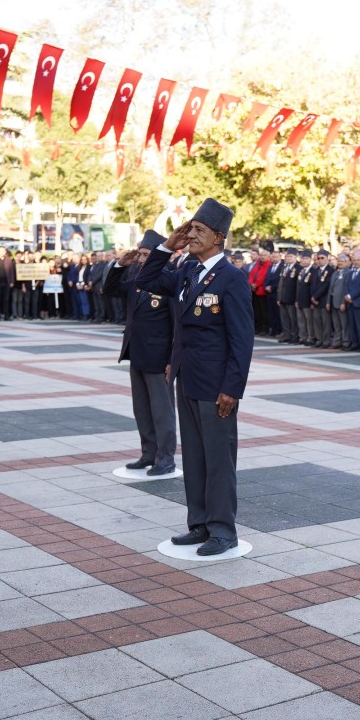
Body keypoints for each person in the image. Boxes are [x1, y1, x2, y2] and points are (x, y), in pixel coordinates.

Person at [132, 199, 254, 557]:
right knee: (197, 457)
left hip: (217, 386)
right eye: (190, 229)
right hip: (187, 379)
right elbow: (146, 278)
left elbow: (242, 339)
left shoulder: (232, 279)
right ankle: (199, 523)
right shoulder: (188, 269)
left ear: (219, 237)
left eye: (199, 230)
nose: (192, 235)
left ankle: (223, 530)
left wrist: (232, 388)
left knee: (219, 459)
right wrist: (168, 246)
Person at [110, 230, 179, 476]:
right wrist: (120, 264)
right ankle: (148, 453)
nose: (140, 259)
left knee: (162, 411)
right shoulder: (139, 279)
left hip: (159, 359)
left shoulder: (170, 280)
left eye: (145, 254)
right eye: (140, 254)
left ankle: (166, 458)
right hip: (137, 353)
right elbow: (110, 290)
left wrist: (172, 360)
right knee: (142, 409)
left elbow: (176, 325)